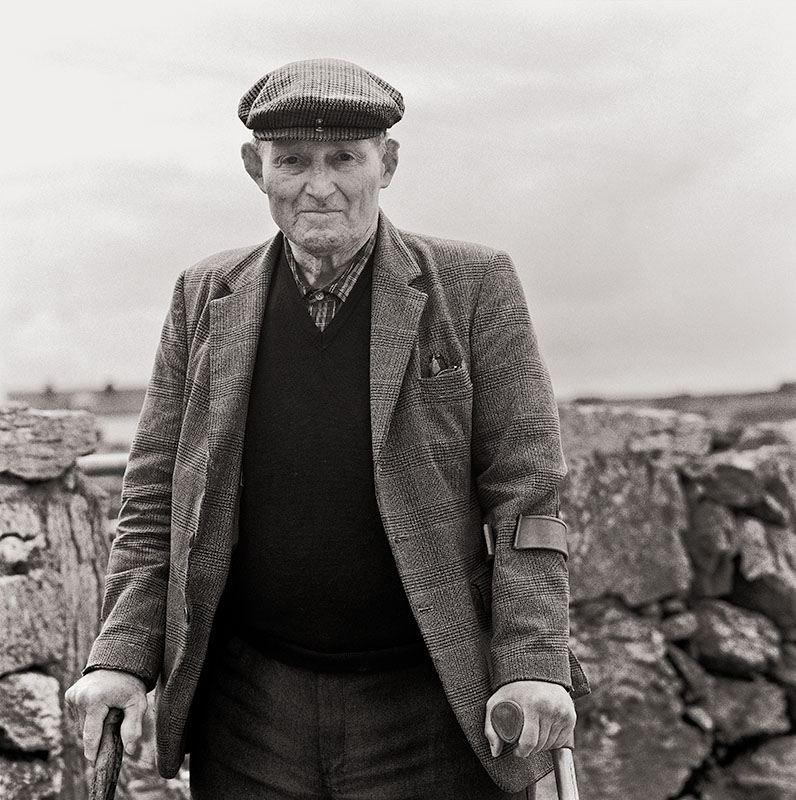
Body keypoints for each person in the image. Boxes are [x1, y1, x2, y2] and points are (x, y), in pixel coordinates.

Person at [66, 58, 588, 799]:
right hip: (248, 706)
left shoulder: (475, 285)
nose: (320, 185)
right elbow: (152, 498)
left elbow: (528, 497)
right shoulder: (202, 295)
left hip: (427, 698)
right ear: (256, 167)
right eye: (293, 162)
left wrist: (535, 663)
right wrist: (120, 655)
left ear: (388, 162)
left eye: (345, 158)